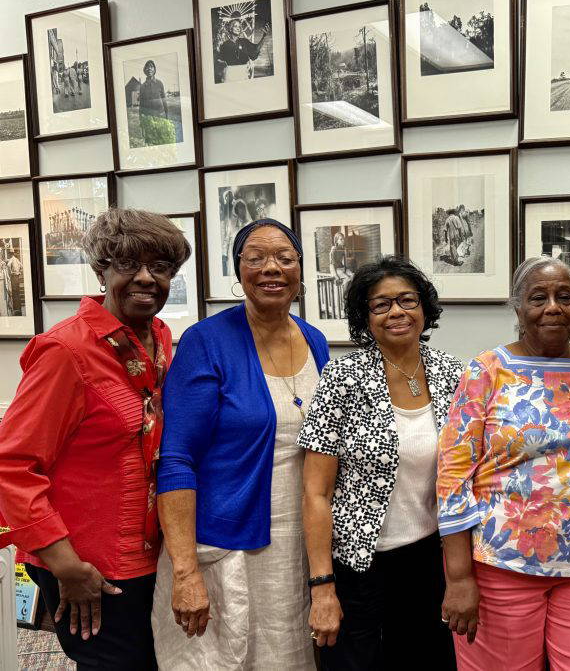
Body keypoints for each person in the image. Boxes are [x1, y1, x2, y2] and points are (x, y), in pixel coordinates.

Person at [0, 209, 191, 669]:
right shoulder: (65, 351)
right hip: (88, 567)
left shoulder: (161, 341)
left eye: (160, 268)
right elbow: (11, 466)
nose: (146, 278)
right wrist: (66, 565)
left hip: (152, 558)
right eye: (129, 264)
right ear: (102, 270)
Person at [152, 219, 329, 669]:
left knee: (291, 657)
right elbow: (176, 459)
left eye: (284, 258)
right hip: (226, 548)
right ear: (238, 271)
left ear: (300, 270)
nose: (272, 268)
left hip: (296, 548)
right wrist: (186, 571)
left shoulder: (315, 341)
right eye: (256, 258)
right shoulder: (205, 343)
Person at [437, 257, 570, 671]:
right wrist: (458, 577)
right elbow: (453, 478)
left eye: (565, 296)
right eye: (538, 297)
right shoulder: (486, 371)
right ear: (518, 309)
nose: (553, 307)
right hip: (499, 569)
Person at [299, 255, 463, 670]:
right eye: (381, 304)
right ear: (365, 317)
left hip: (431, 559)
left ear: (425, 307)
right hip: (359, 563)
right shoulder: (342, 377)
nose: (396, 312)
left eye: (407, 300)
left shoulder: (453, 373)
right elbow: (315, 493)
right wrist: (322, 588)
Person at [216, 15, 270, 82]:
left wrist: (264, 37)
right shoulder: (225, 45)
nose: (238, 28)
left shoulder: (244, 41)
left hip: (243, 73)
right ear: (230, 28)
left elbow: (255, 50)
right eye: (235, 26)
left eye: (239, 26)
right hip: (230, 74)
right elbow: (220, 60)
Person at [138, 60, 175, 147]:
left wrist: (167, 117)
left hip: (160, 116)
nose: (149, 69)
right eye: (147, 67)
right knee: (151, 144)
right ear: (145, 71)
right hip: (148, 119)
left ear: (154, 70)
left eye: (151, 66)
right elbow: (141, 106)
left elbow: (164, 100)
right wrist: (142, 123)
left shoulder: (159, 83)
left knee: (162, 141)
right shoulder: (142, 87)